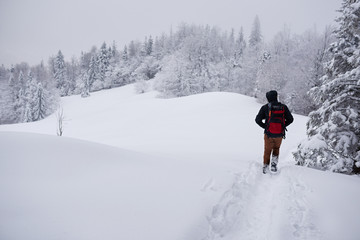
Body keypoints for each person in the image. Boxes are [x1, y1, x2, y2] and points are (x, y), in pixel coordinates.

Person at [255, 90, 294, 173]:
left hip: (268, 134)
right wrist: (283, 126)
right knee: (276, 148)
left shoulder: (265, 107)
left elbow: (257, 120)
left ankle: (265, 167)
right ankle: (274, 165)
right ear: (276, 97)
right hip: (279, 134)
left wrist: (266, 127)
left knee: (267, 150)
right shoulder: (283, 107)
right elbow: (291, 119)